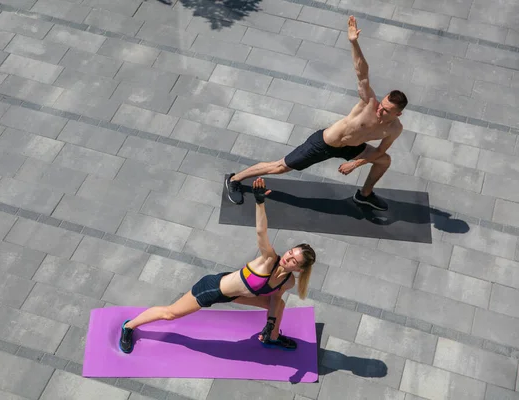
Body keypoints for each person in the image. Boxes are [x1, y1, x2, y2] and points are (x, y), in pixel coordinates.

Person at [225, 15, 407, 212]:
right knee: (280, 167)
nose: (380, 109)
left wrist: (355, 165)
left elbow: (380, 151)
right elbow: (361, 72)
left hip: (352, 148)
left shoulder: (395, 129)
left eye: (386, 110)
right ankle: (234, 179)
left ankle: (364, 195)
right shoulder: (369, 102)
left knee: (384, 160)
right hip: (326, 143)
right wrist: (354, 43)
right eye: (382, 104)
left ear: (397, 114)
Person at [119, 178, 316, 354]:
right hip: (213, 290)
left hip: (237, 294)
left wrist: (270, 324)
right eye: (290, 253)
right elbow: (261, 232)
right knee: (170, 313)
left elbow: (274, 300)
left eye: (294, 261)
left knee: (278, 304)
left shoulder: (288, 281)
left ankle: (271, 337)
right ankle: (129, 327)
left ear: (299, 269)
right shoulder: (269, 259)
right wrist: (259, 202)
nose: (288, 258)